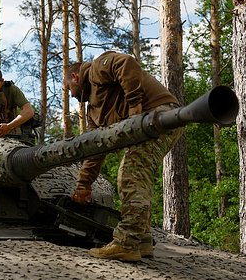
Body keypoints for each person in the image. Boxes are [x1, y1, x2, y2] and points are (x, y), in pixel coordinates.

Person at [64, 51, 183, 262]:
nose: (71, 95)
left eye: (68, 88)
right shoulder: (93, 111)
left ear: (75, 77)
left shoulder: (95, 69)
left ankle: (126, 243)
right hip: (152, 123)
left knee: (131, 175)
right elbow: (96, 147)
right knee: (138, 175)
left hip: (160, 115)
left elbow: (125, 63)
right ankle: (142, 240)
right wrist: (84, 185)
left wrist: (134, 105)